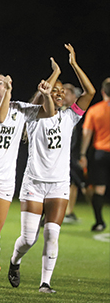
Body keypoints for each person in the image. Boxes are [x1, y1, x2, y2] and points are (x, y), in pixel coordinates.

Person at [9, 44, 95, 293]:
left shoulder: (70, 116)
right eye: (54, 90)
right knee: (28, 238)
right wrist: (53, 76)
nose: (59, 94)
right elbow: (45, 105)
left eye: (62, 92)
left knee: (52, 235)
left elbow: (89, 91)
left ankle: (45, 283)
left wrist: (73, 65)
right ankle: (15, 261)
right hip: (34, 183)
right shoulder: (34, 114)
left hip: (58, 184)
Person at [0, 73, 54, 283]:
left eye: (7, 82)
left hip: (7, 178)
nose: (6, 85)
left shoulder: (19, 108)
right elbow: (0, 118)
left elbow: (49, 112)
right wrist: (9, 93)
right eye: (1, 84)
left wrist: (46, 93)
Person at [80, 77, 110, 232]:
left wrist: (83, 154)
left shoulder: (95, 110)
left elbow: (86, 134)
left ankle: (99, 222)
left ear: (103, 91)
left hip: (101, 154)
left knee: (99, 190)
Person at [62, 83, 86, 223]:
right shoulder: (60, 109)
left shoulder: (76, 112)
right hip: (62, 153)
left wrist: (82, 154)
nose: (64, 95)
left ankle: (69, 212)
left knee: (75, 183)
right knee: (70, 182)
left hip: (73, 153)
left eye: (67, 93)